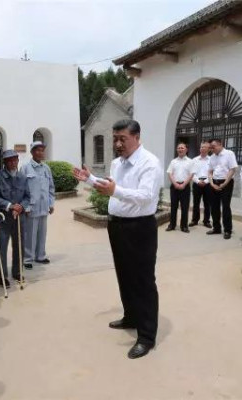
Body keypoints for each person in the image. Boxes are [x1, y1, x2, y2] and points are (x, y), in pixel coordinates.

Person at [73, 119, 163, 359]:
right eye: (115, 138)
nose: (118, 143)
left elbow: (145, 196)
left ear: (136, 137)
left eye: (122, 138)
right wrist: (90, 179)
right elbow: (111, 185)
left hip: (140, 228)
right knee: (124, 275)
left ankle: (146, 336)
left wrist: (116, 192)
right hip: (117, 226)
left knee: (143, 281)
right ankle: (131, 316)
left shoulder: (150, 163)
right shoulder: (117, 163)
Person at [0, 150, 31, 283]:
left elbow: (27, 196)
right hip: (3, 217)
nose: (13, 162)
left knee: (19, 245)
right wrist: (10, 206)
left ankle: (17, 272)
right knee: (2, 247)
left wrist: (20, 207)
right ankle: (3, 275)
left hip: (19, 217)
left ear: (18, 161)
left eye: (15, 160)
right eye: (9, 160)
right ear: (4, 162)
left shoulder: (23, 177)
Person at [20, 141, 55, 269]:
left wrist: (51, 203)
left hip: (44, 206)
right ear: (32, 152)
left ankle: (40, 256)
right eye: (37, 150)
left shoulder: (46, 168)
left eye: (42, 150)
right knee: (30, 234)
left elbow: (51, 187)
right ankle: (27, 258)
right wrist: (26, 206)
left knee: (42, 233)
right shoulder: (25, 168)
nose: (40, 153)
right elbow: (21, 189)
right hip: (31, 207)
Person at [207, 138, 238, 239]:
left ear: (220, 144)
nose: (212, 149)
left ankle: (227, 230)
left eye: (213, 146)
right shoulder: (212, 157)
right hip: (214, 183)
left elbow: (232, 169)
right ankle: (216, 228)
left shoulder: (229, 154)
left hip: (226, 182)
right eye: (211, 147)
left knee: (225, 207)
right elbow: (210, 171)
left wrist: (225, 183)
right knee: (214, 207)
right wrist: (211, 183)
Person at [166, 142, 193, 233]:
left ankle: (184, 226)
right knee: (173, 206)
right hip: (174, 186)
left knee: (185, 207)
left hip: (185, 187)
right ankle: (172, 225)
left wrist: (184, 184)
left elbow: (191, 174)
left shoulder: (190, 161)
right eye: (178, 148)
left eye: (182, 148)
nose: (180, 149)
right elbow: (169, 173)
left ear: (186, 149)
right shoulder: (173, 161)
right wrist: (175, 184)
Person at [189, 141, 212, 228]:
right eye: (201, 147)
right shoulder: (194, 160)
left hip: (208, 183)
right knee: (196, 203)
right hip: (196, 183)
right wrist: (197, 181)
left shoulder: (211, 160)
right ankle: (194, 220)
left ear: (208, 149)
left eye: (204, 147)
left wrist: (206, 181)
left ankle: (206, 221)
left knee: (207, 203)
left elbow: (212, 173)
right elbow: (192, 173)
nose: (202, 149)